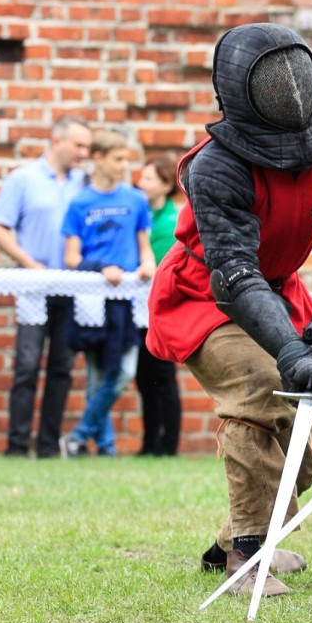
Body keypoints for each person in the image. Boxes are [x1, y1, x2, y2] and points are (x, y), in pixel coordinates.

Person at [146, 23, 312, 600]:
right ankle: (247, 555)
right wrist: (286, 349)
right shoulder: (214, 167)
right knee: (261, 388)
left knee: (295, 435)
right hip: (204, 295)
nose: (288, 89)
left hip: (279, 290)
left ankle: (235, 534)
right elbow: (233, 275)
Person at [0, 116, 92, 458]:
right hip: (33, 287)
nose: (84, 153)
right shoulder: (23, 179)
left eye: (87, 147)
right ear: (56, 141)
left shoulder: (85, 182)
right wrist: (29, 263)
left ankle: (47, 447)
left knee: (62, 367)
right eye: (78, 145)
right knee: (27, 365)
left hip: (72, 287)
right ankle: (16, 446)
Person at [59, 129, 155, 458]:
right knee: (96, 375)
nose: (123, 166)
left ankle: (78, 435)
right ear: (97, 159)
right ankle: (107, 447)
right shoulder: (80, 202)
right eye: (118, 159)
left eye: (126, 159)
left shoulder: (136, 200)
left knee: (124, 371)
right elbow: (71, 258)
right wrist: (101, 267)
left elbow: (145, 249)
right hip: (91, 298)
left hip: (127, 300)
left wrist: (146, 265)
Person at [135, 155, 181, 456]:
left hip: (161, 307)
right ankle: (149, 441)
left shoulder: (172, 220)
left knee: (163, 376)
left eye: (150, 178)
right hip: (135, 307)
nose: (142, 183)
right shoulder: (138, 215)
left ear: (166, 185)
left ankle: (168, 443)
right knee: (143, 377)